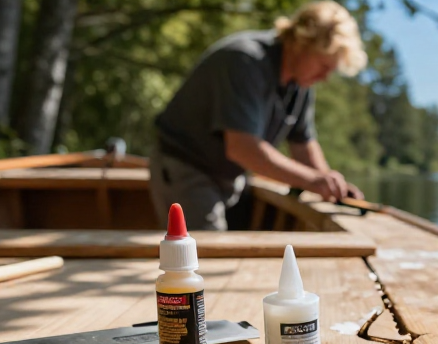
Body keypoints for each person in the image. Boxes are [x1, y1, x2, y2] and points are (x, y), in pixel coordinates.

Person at [149, 1, 366, 230]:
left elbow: (303, 144)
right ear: (303, 43)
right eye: (324, 66)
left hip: (230, 176)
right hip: (186, 168)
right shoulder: (244, 60)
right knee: (203, 253)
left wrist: (330, 184)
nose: (325, 77)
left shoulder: (301, 85)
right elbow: (242, 148)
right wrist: (312, 180)